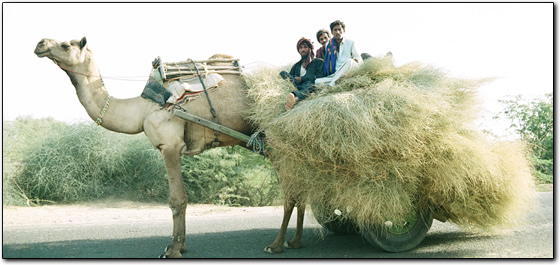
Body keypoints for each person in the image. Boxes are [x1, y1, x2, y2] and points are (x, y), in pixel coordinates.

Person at [280, 37, 325, 110]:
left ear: (310, 48)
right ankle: (290, 97)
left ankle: (295, 99)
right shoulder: (296, 65)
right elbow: (290, 77)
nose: (303, 50)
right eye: (300, 48)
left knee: (310, 84)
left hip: (309, 85)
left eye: (305, 47)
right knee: (282, 73)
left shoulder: (318, 62)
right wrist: (293, 79)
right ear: (298, 50)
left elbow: (319, 77)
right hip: (297, 85)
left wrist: (302, 79)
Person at [315, 20, 362, 87]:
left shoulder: (350, 43)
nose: (337, 32)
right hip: (336, 74)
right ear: (332, 32)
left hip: (347, 71)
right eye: (335, 30)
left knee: (350, 61)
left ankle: (332, 84)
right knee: (317, 82)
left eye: (339, 29)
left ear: (344, 30)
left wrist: (356, 60)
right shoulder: (328, 45)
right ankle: (337, 81)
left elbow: (359, 59)